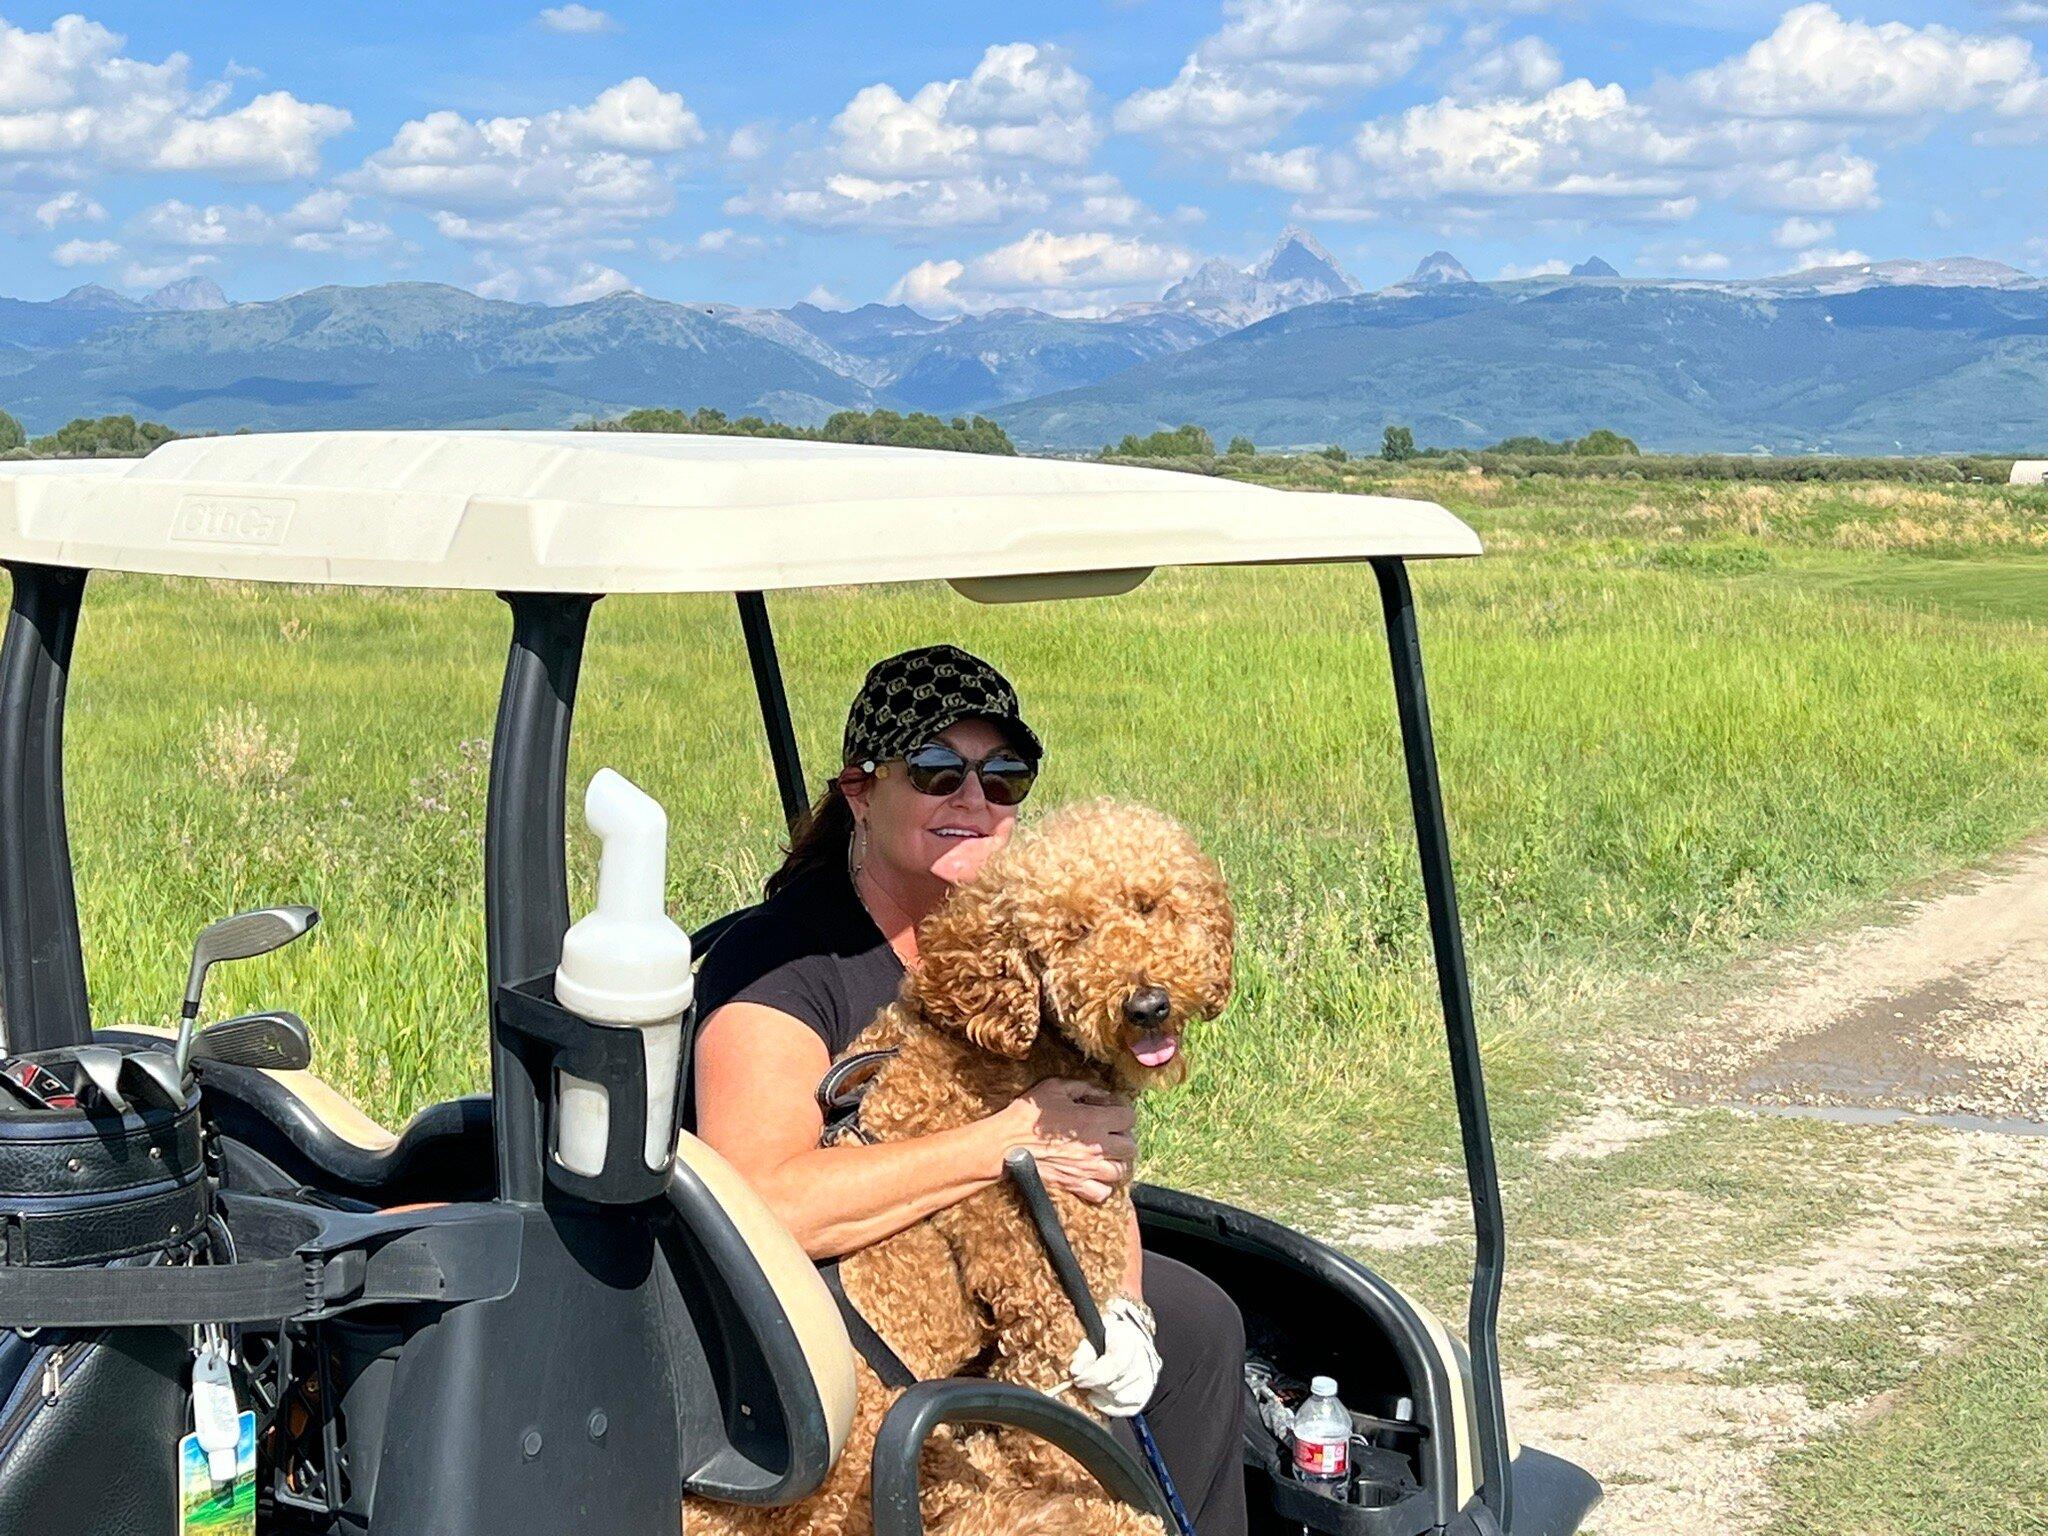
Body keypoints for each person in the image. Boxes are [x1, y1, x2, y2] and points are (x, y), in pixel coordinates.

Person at [692, 643, 1248, 1534]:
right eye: (936, 771)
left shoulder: (1020, 938)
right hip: (839, 1330)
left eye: (1004, 777)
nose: (974, 800)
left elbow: (1091, 1158)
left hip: (996, 1284)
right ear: (861, 791)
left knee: (1201, 1325)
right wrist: (1001, 1142)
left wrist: (1126, 1310)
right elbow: (762, 1204)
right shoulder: (782, 962)